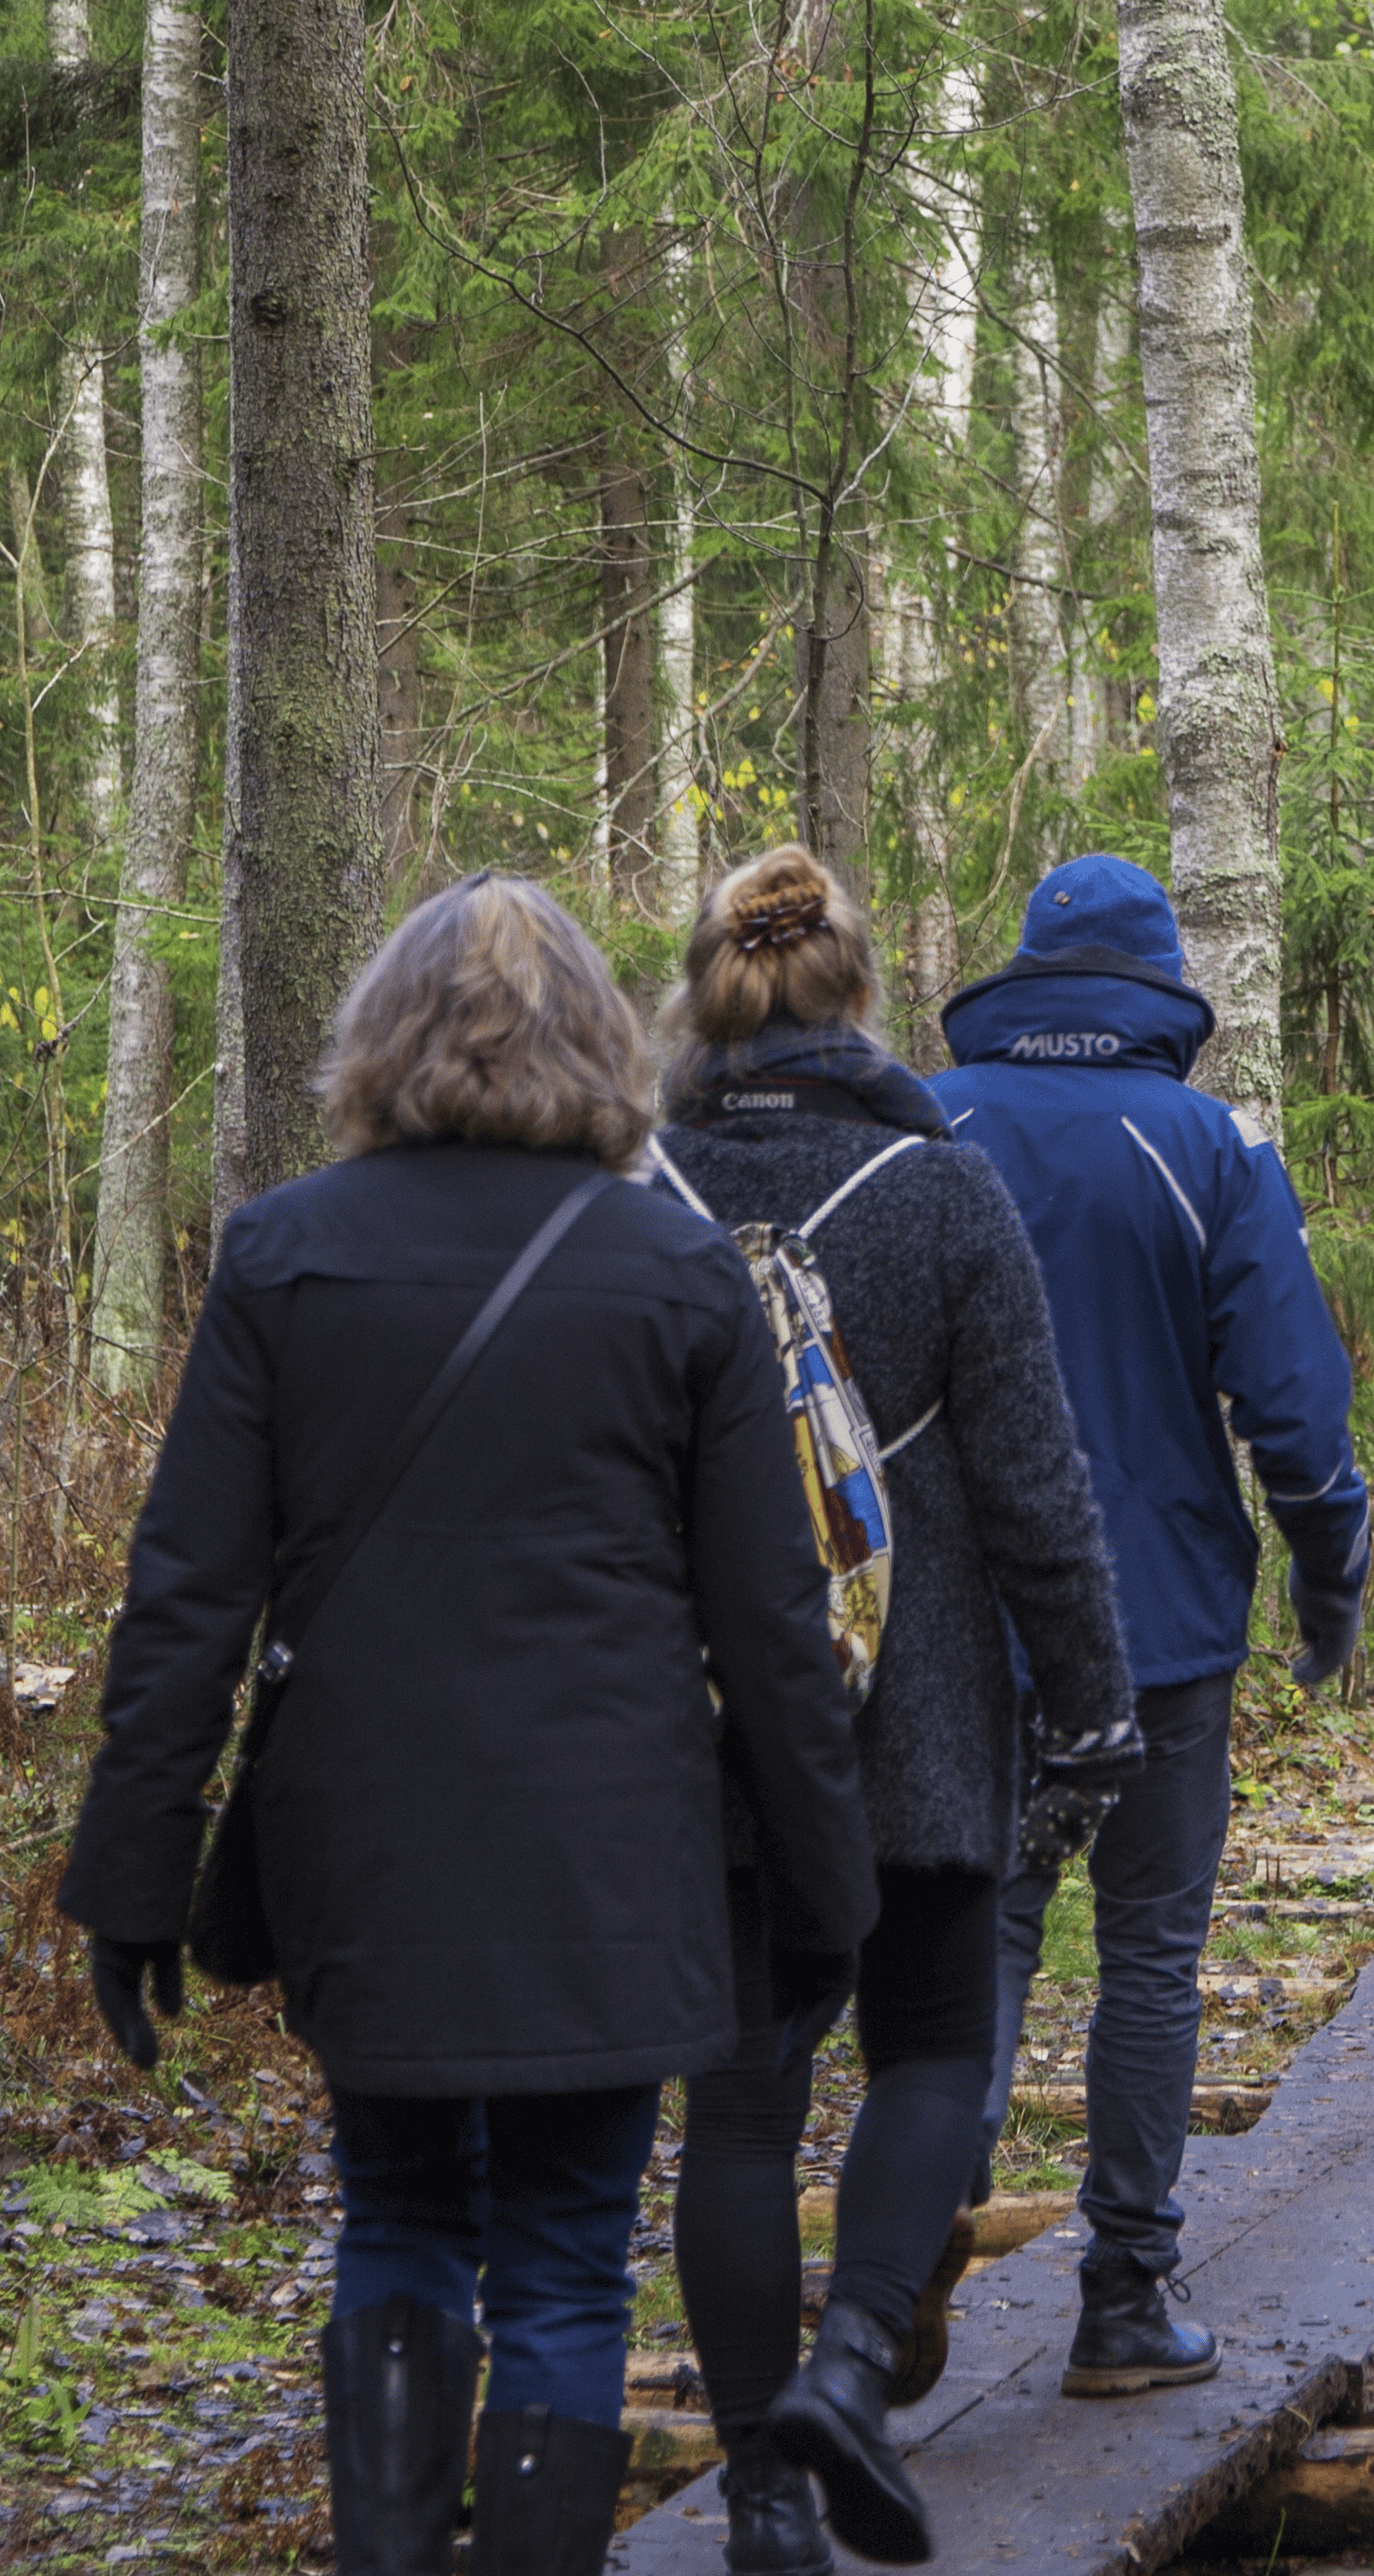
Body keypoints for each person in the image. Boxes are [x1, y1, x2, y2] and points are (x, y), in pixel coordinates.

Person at [60, 873, 875, 2576]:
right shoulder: (677, 1268)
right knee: (570, 2256)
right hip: (610, 1853)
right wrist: (827, 1890)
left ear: (380, 1043)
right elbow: (773, 1625)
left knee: (403, 2215)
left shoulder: (288, 1252)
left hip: (367, 1849)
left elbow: (188, 1598)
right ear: (599, 1042)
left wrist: (130, 1883)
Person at [651, 848, 1145, 2572]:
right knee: (932, 2051)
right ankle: (853, 2369)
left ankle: (761, 2490)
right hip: (918, 1719)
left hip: (710, 1724)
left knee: (736, 2110)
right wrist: (1090, 1711)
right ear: (858, 987)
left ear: (707, 994)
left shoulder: (640, 1195)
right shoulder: (943, 1192)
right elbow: (1034, 1487)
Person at [930, 854, 1372, 2396]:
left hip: (963, 1630)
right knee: (1149, 1954)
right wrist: (1331, 1579)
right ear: (1156, 989)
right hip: (1165, 1625)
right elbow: (1296, 1410)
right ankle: (1123, 2298)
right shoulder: (1206, 1145)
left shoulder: (936, 1125)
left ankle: (916, 2223)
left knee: (975, 1928)